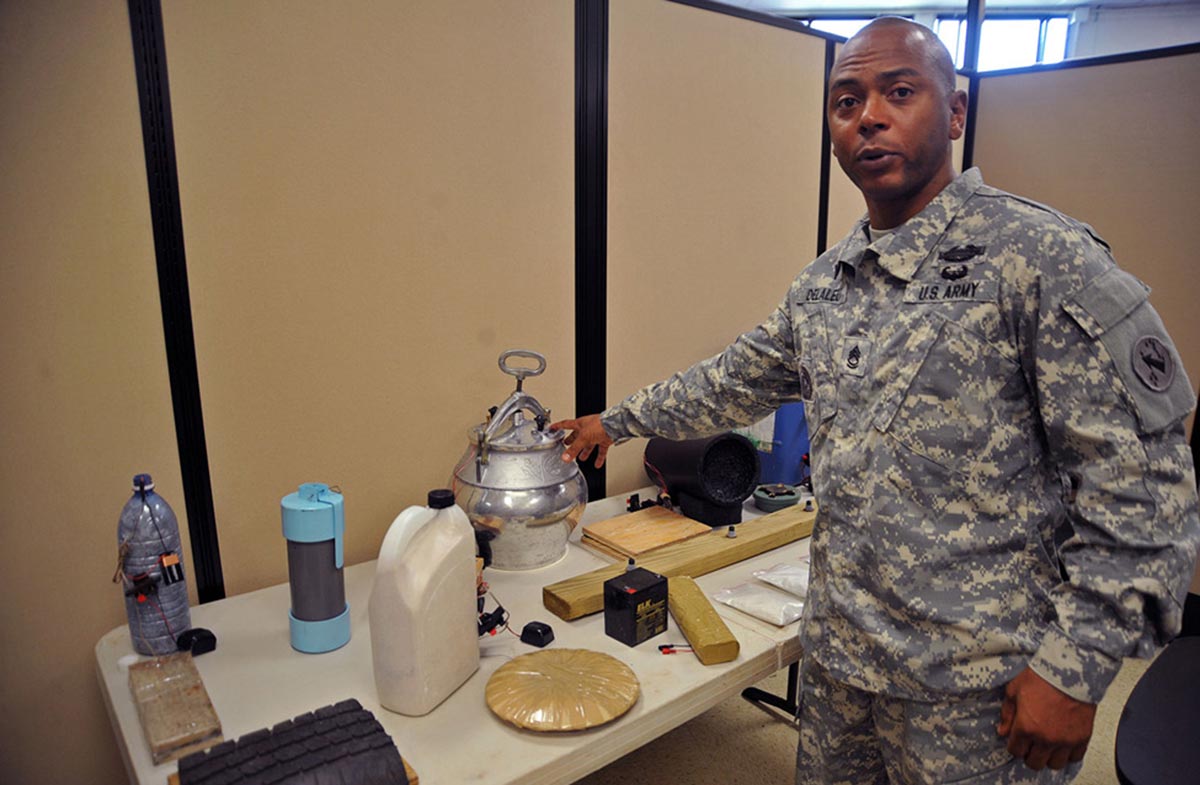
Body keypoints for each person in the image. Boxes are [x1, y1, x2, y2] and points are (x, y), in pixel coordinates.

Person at [552, 17, 1199, 785]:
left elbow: (1145, 483)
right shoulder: (826, 283)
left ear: (955, 112)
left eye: (899, 92)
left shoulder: (1040, 259)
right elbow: (728, 379)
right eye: (846, 100)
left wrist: (1076, 667)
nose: (869, 116)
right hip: (840, 665)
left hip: (977, 689)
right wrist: (614, 419)